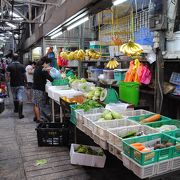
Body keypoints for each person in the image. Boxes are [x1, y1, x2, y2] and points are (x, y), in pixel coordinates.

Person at [33, 57, 54, 123]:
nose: (48, 65)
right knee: (37, 104)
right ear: (45, 63)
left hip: (36, 88)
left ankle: (36, 117)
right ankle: (39, 119)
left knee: (36, 103)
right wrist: (49, 71)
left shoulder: (38, 67)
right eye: (48, 64)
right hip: (39, 89)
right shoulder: (42, 70)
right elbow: (51, 79)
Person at [6, 54, 27, 119]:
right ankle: (20, 114)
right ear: (18, 58)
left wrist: (7, 82)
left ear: (12, 58)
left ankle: (16, 109)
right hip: (21, 83)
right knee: (20, 97)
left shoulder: (9, 66)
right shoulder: (22, 66)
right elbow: (24, 75)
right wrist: (26, 82)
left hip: (13, 84)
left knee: (15, 96)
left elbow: (7, 76)